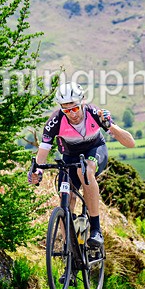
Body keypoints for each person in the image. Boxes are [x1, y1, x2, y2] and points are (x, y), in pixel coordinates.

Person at [28, 82, 136, 247]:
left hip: (94, 150)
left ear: (82, 102)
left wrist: (109, 125)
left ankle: (96, 229)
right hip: (69, 157)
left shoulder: (94, 113)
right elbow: (43, 151)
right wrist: (37, 171)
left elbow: (130, 143)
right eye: (66, 110)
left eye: (75, 108)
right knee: (66, 197)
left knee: (84, 171)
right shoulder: (55, 121)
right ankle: (68, 252)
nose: (72, 114)